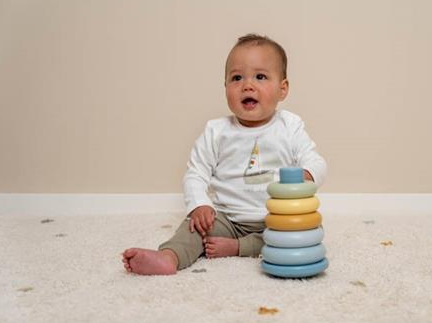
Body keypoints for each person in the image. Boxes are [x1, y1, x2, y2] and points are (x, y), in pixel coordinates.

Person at [122, 34, 327, 275]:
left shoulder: (290, 126)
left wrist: (307, 174)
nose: (247, 85)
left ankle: (239, 247)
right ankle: (170, 257)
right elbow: (196, 173)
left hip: (275, 218)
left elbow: (316, 160)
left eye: (260, 77)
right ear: (225, 87)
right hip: (226, 218)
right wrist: (200, 205)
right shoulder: (217, 131)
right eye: (237, 78)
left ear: (283, 89)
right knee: (194, 229)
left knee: (297, 236)